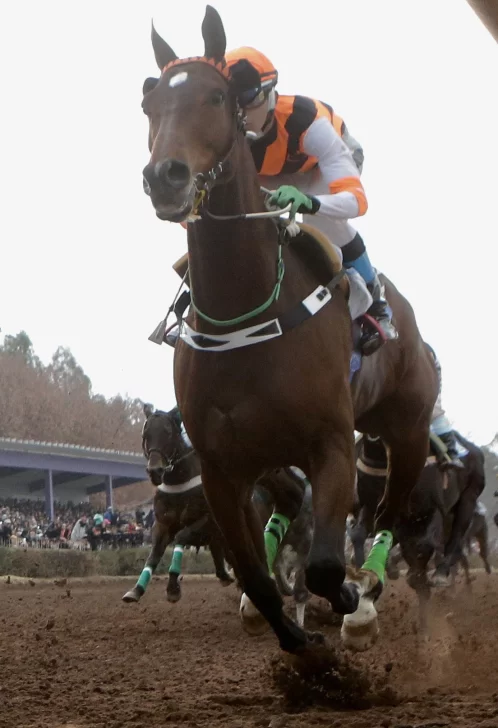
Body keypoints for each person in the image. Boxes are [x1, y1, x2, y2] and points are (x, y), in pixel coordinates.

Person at [223, 46, 398, 354]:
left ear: (268, 91)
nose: (240, 111)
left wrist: (310, 202)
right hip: (277, 175)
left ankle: (379, 304)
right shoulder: (229, 136)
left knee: (322, 220)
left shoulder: (306, 121)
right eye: (230, 100)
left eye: (248, 97)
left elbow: (356, 201)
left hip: (321, 163)